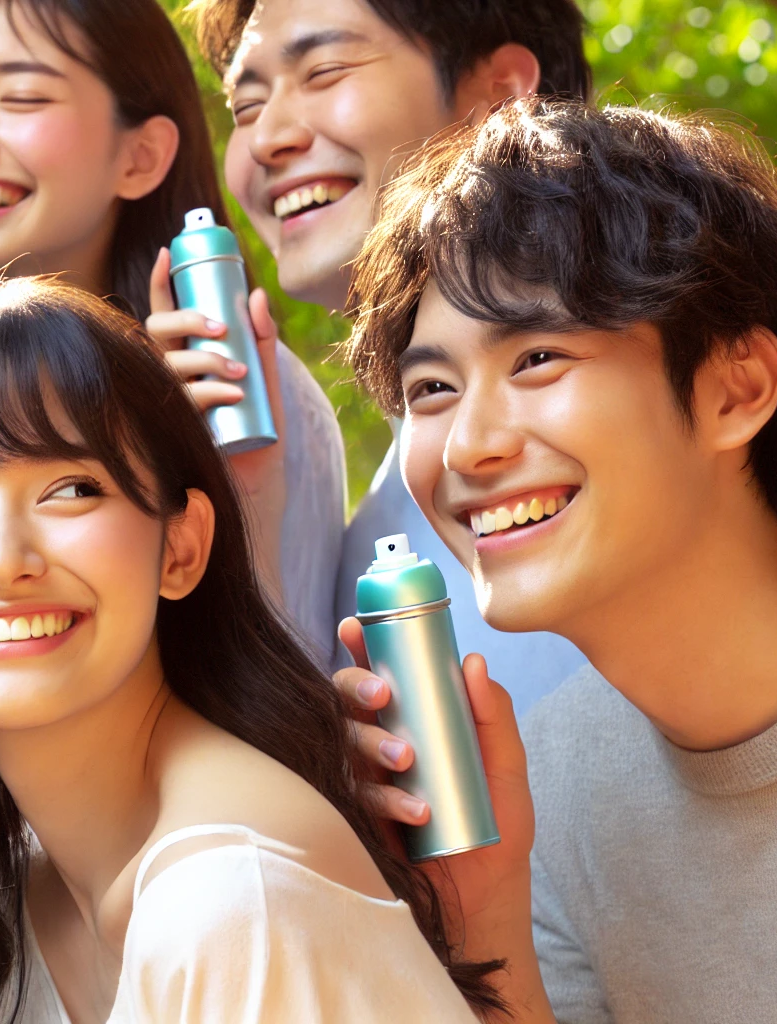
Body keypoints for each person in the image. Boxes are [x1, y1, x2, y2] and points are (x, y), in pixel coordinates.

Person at [0, 279, 503, 1022]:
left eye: (69, 490)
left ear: (181, 548)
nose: (2, 557)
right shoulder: (16, 887)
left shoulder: (231, 899)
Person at [341, 98, 777, 1022]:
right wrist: (480, 912)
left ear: (738, 389)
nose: (466, 448)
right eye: (433, 389)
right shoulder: (554, 798)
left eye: (536, 357)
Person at [0, 0, 349, 667]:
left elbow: (298, 693)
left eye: (22, 97)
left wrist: (233, 489)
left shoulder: (239, 395)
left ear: (140, 156)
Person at [188, 0, 593, 709]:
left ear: (498, 95)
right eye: (244, 106)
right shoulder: (370, 579)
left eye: (324, 70)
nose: (266, 139)